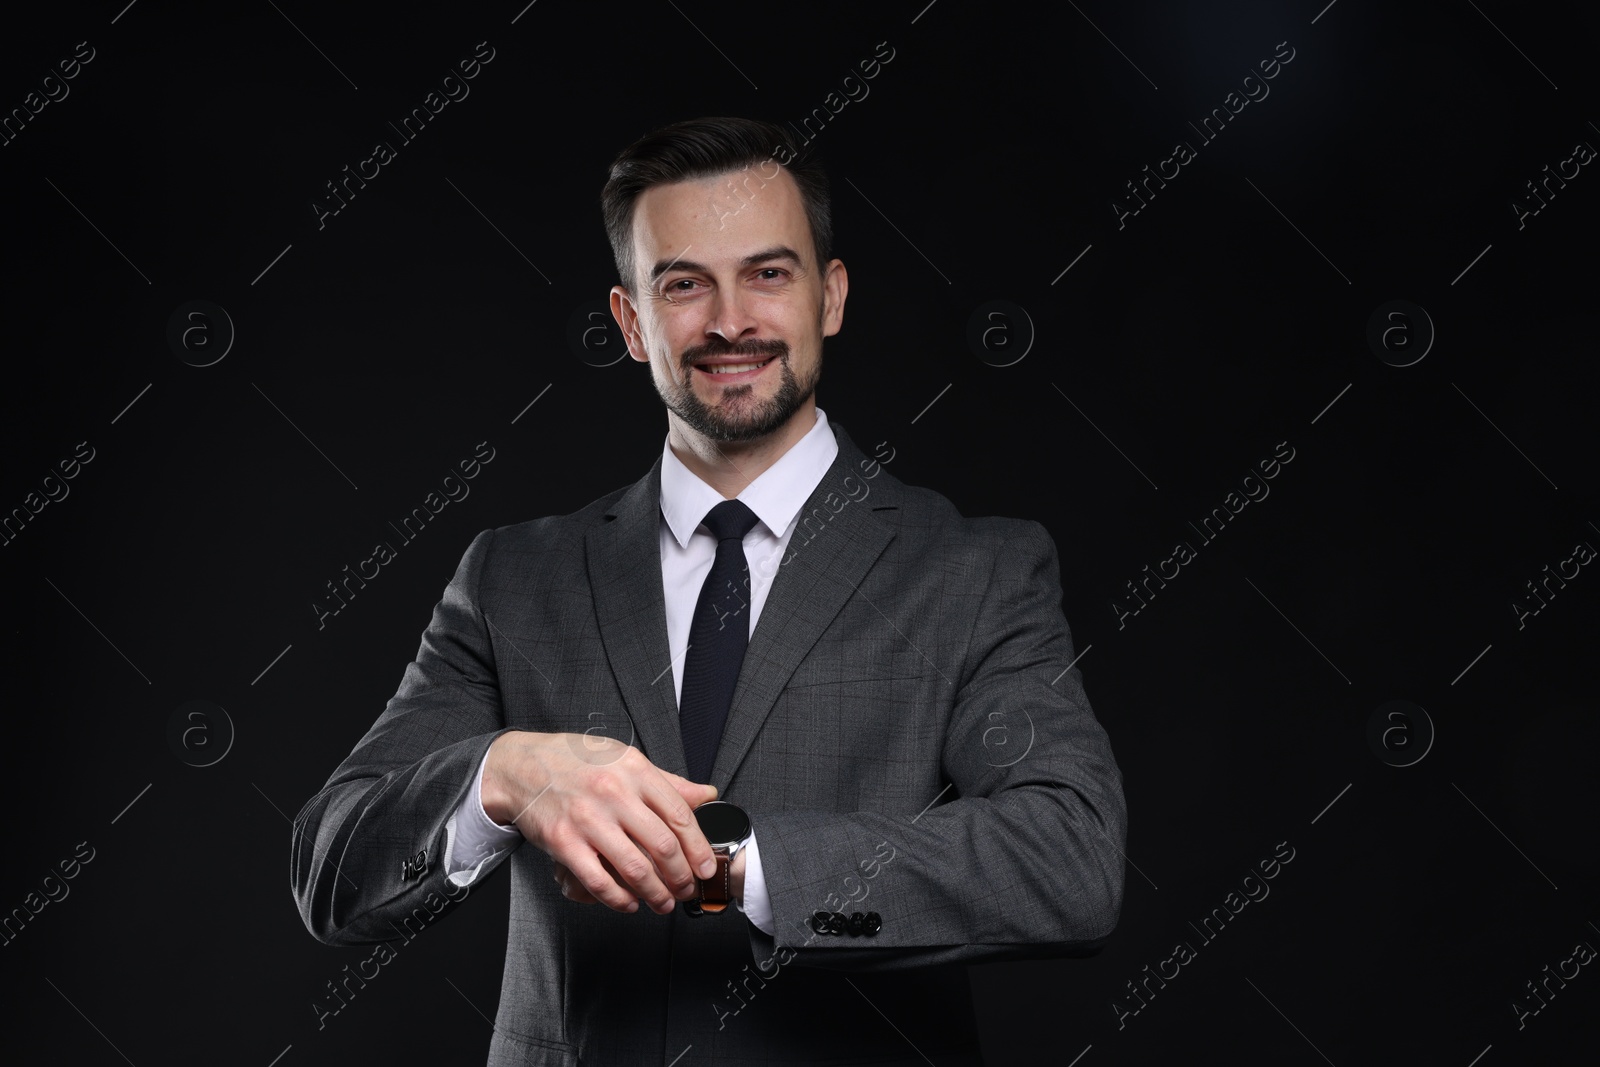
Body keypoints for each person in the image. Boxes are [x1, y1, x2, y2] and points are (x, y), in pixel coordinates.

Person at [291, 116, 1126, 1066]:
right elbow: (333, 868)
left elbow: (1070, 857)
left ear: (832, 296)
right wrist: (504, 776)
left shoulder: (975, 570)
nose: (730, 320)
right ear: (630, 321)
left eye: (768, 273)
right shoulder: (512, 578)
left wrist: (731, 861)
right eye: (684, 283)